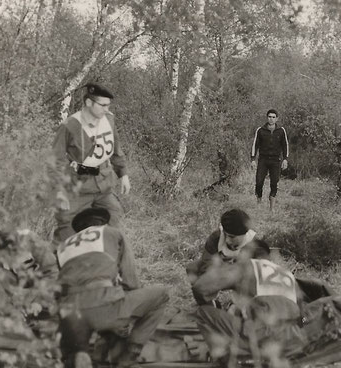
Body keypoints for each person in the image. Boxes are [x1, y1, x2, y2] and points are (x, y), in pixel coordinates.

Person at [56, 207, 169, 367]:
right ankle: (130, 353)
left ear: (79, 229)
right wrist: (126, 319)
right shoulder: (111, 233)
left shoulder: (62, 247)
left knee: (90, 312)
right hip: (103, 307)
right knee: (162, 294)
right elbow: (130, 280)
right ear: (103, 223)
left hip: (70, 318)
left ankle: (78, 350)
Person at [192, 239, 303, 365]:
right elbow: (301, 316)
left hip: (262, 336)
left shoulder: (248, 266)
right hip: (292, 341)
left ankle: (227, 360)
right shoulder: (287, 274)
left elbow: (200, 287)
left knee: (203, 313)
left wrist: (211, 304)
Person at [52, 83, 131, 244]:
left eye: (108, 105)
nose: (106, 109)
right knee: (67, 229)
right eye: (102, 105)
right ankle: (55, 264)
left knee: (114, 216)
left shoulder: (108, 119)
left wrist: (123, 174)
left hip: (103, 185)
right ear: (89, 103)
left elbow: (115, 148)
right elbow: (55, 161)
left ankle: (102, 260)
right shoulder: (69, 126)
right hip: (77, 188)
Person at [186, 209, 259, 286]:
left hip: (241, 275)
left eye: (232, 237)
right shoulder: (216, 237)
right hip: (220, 271)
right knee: (193, 268)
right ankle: (207, 296)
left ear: (244, 234)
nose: (227, 240)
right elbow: (206, 263)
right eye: (225, 234)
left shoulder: (253, 242)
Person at [250, 109, 289, 210]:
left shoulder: (281, 130)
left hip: (276, 160)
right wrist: (253, 159)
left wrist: (285, 159)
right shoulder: (260, 130)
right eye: (269, 117)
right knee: (259, 182)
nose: (271, 119)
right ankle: (259, 202)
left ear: (277, 119)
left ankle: (272, 208)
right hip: (263, 160)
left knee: (274, 182)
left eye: (273, 117)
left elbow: (285, 146)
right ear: (267, 118)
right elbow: (255, 145)